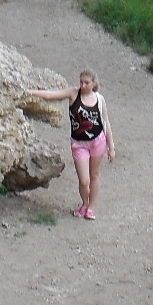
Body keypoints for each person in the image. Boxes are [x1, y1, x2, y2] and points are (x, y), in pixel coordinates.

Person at [25, 69, 115, 220]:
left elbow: (105, 122)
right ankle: (84, 203)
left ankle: (90, 208)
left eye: (87, 82)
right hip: (79, 144)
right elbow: (50, 95)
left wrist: (111, 147)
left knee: (94, 175)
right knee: (83, 180)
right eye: (81, 82)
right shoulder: (73, 94)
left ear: (93, 84)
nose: (83, 85)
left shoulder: (99, 99)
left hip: (98, 141)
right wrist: (29, 92)